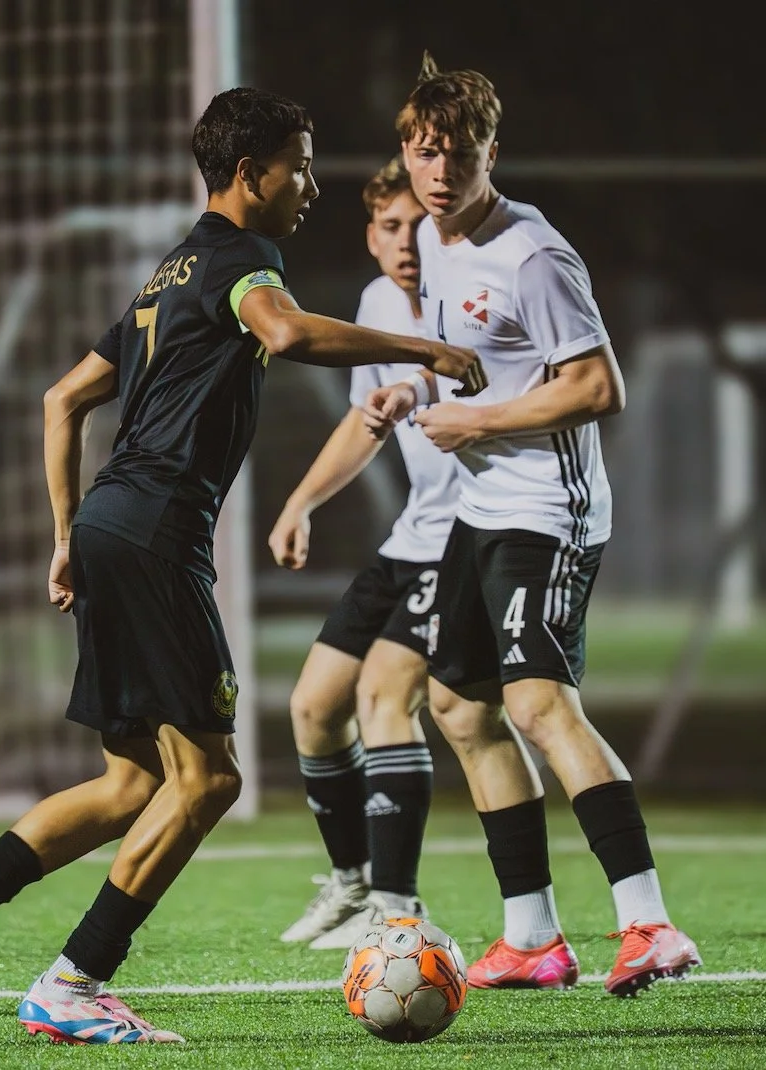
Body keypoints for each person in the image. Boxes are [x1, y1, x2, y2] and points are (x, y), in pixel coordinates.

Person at [0, 86, 481, 1046]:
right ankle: (72, 983)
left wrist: (69, 533)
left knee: (129, 783)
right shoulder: (243, 260)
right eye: (301, 165)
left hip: (118, 522)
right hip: (157, 533)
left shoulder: (169, 273)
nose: (310, 185)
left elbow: (61, 398)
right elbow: (285, 332)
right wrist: (426, 347)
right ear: (252, 174)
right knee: (209, 781)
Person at [363, 54, 701, 997]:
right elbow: (476, 364)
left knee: (536, 705)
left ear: (490, 154)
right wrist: (415, 388)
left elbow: (598, 386)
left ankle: (649, 925)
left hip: (549, 514)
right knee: (458, 709)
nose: (438, 172)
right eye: (424, 153)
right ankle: (533, 938)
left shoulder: (534, 253)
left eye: (457, 155)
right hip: (482, 508)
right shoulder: (435, 239)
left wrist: (472, 421)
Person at [268, 156, 462, 950]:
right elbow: (363, 422)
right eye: (391, 226)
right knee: (313, 707)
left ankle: (398, 907)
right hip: (412, 535)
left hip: (470, 539)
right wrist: (301, 502)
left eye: (420, 225)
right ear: (372, 235)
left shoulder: (469, 300)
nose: (407, 241)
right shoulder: (379, 304)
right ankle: (353, 884)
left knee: (387, 698)